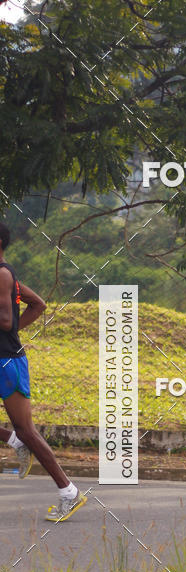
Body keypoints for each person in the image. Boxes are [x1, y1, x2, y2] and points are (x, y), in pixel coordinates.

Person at [0, 221, 87, 521]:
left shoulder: (2, 274)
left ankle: (69, 493)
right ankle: (14, 442)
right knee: (23, 432)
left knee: (28, 430)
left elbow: (6, 321)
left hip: (7, 362)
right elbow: (37, 304)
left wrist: (12, 335)